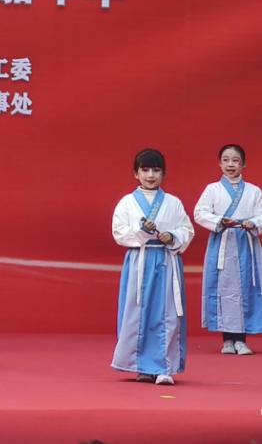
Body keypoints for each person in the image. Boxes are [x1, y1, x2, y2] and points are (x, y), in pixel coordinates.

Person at [111, 148, 194, 385]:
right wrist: (141, 231)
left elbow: (187, 229)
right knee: (138, 313)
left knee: (168, 314)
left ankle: (164, 367)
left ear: (163, 174)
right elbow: (119, 232)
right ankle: (141, 366)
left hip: (166, 261)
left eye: (156, 170)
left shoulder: (173, 202)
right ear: (135, 173)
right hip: (139, 261)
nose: (150, 175)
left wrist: (172, 236)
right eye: (145, 170)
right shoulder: (127, 203)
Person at [194, 143, 262, 355]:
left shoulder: (254, 191)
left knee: (245, 289)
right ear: (219, 163)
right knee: (223, 289)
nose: (230, 164)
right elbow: (200, 212)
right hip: (222, 243)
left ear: (243, 164)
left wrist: (253, 223)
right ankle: (227, 340)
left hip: (246, 244)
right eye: (226, 160)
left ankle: (241, 339)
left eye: (235, 160)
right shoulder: (212, 190)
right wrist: (219, 221)